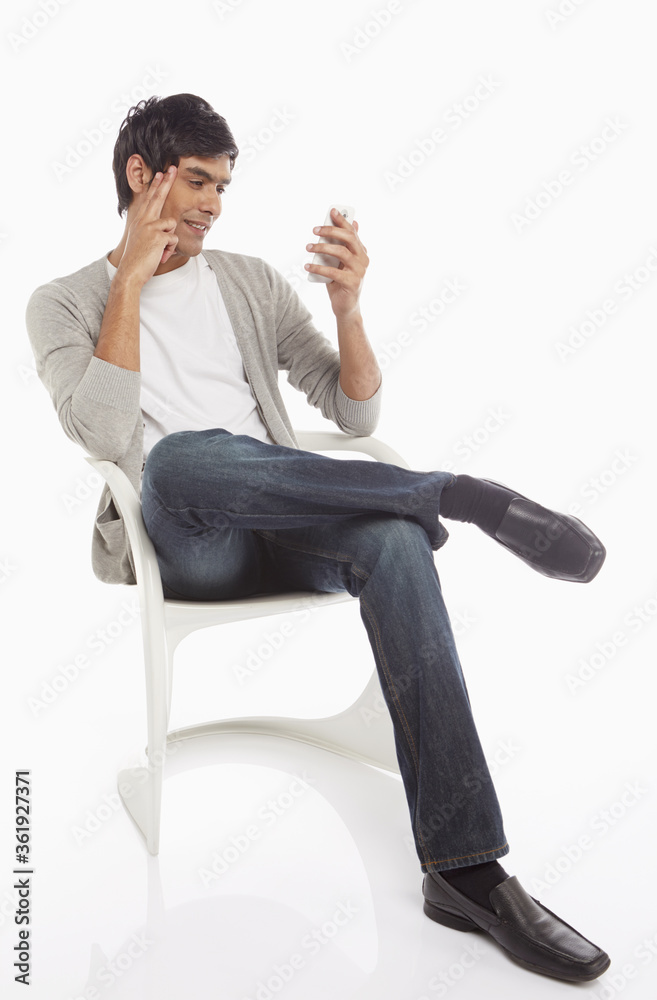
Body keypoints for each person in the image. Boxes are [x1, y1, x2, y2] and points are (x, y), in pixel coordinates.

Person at [26, 93, 610, 983]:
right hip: (193, 540)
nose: (213, 203)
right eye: (195, 180)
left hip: (292, 516)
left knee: (396, 544)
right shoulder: (62, 303)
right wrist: (135, 280)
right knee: (179, 459)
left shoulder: (249, 281)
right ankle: (458, 494)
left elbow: (352, 407)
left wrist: (346, 307)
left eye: (222, 185)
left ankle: (466, 872)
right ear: (139, 177)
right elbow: (106, 438)